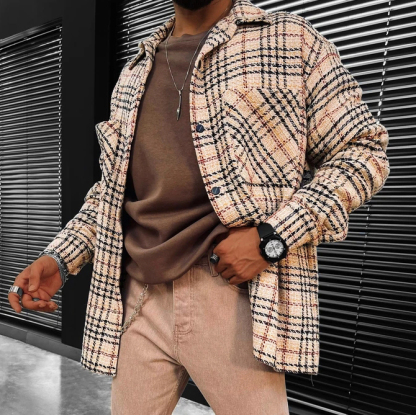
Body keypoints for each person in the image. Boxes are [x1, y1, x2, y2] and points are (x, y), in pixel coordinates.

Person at [8, 0, 390, 413]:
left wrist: (271, 239)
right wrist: (59, 258)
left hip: (235, 299)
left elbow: (363, 154)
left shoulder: (290, 40)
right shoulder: (135, 72)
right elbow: (112, 193)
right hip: (138, 299)